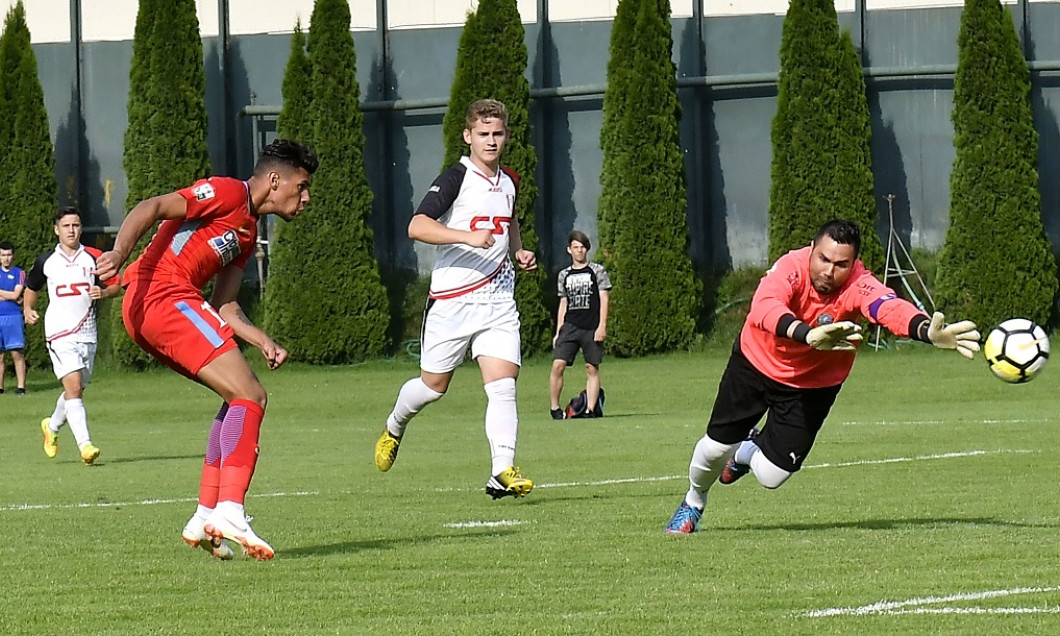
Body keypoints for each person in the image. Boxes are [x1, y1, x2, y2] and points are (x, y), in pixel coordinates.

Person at [664, 219, 981, 534]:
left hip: (812, 386)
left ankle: (746, 450)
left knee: (772, 476)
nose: (829, 271)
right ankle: (694, 502)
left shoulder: (860, 283)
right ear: (812, 250)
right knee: (716, 449)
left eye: (841, 264)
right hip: (755, 365)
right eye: (824, 259)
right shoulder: (790, 267)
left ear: (854, 263)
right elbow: (764, 308)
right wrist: (805, 334)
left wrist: (925, 330)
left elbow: (887, 307)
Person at [92, 139, 318, 561]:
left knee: (236, 397)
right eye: (301, 186)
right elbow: (152, 206)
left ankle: (206, 511)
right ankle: (231, 509)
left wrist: (261, 339)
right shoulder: (228, 192)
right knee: (252, 395)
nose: (305, 198)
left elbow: (224, 306)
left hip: (164, 304)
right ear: (274, 180)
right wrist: (119, 253)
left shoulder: (248, 232)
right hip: (161, 296)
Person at [374, 98, 538, 500]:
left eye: (498, 133)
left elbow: (510, 218)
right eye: (483, 134)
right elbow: (417, 225)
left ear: (507, 135)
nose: (491, 141)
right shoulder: (455, 178)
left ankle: (502, 470)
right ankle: (395, 425)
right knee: (433, 387)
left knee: (503, 386)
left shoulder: (510, 180)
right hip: (452, 300)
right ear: (467, 136)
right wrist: (467, 237)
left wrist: (517, 250)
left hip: (498, 300)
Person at [23, 208, 121, 465]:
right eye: (66, 225)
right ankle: (85, 445)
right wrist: (28, 308)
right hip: (59, 333)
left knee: (74, 391)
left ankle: (51, 427)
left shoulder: (94, 257)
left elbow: (117, 285)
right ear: (57, 229)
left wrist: (106, 293)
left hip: (87, 334)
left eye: (76, 225)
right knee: (74, 388)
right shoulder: (47, 261)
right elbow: (31, 287)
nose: (71, 230)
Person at [549, 230, 611, 420]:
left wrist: (602, 326)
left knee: (591, 368)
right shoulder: (564, 275)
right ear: (569, 250)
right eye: (575, 247)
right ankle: (555, 408)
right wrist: (559, 330)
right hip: (570, 326)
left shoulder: (597, 271)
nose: (579, 250)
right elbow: (563, 302)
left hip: (591, 326)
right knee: (558, 365)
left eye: (582, 247)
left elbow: (604, 298)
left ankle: (590, 409)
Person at [0, 241, 27, 395]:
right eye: (3, 255)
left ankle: (21, 387)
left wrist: (5, 295)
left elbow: (16, 294)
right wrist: (9, 295)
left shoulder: (19, 273)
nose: (6, 258)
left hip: (13, 316)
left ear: (13, 256)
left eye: (9, 255)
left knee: (16, 353)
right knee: (0, 356)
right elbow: (12, 295)